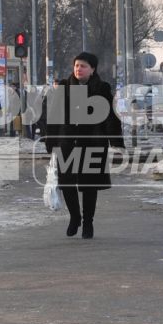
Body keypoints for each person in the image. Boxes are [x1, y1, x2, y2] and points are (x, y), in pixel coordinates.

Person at [38, 52, 124, 238]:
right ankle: (75, 217)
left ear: (92, 69)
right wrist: (50, 140)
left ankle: (88, 223)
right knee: (67, 184)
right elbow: (49, 115)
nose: (79, 69)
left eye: (83, 66)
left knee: (89, 186)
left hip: (92, 143)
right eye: (77, 65)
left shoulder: (101, 88)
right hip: (67, 144)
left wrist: (115, 140)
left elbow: (111, 116)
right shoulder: (63, 87)